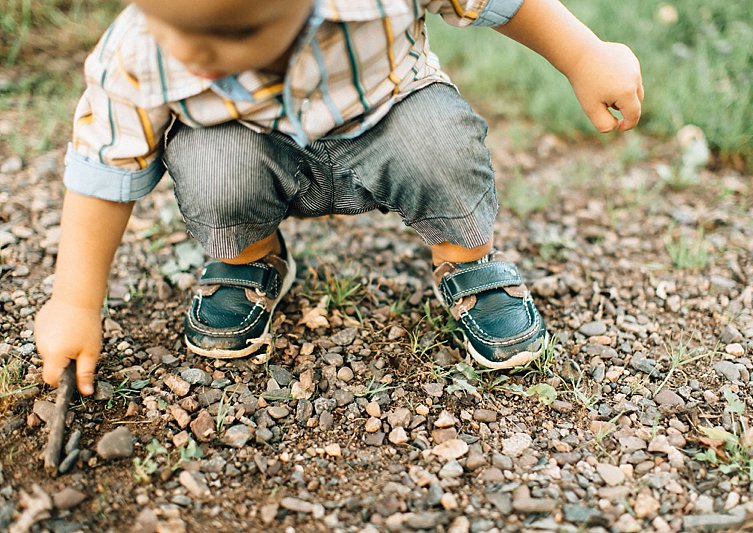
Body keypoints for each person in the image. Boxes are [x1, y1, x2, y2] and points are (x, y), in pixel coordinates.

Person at [35, 0, 643, 396]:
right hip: (250, 149)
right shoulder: (139, 48)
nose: (193, 57)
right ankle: (252, 258)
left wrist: (585, 55)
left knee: (440, 144)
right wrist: (75, 302)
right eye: (178, 35)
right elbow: (103, 166)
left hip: (387, 121)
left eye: (230, 37)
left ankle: (467, 261)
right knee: (205, 159)